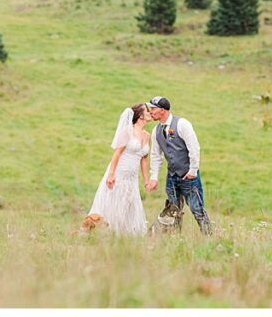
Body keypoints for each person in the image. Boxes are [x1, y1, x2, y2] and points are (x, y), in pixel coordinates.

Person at [145, 96, 213, 235]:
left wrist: (193, 170)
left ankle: (210, 238)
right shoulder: (156, 131)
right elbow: (155, 155)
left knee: (197, 209)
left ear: (162, 110)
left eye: (153, 108)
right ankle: (176, 239)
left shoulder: (182, 124)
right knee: (173, 211)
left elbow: (194, 148)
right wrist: (154, 177)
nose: (150, 111)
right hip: (172, 177)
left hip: (188, 176)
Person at [87, 103, 153, 235]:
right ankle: (107, 231)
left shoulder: (147, 135)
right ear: (140, 115)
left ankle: (127, 234)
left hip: (132, 177)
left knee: (129, 203)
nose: (150, 113)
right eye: (147, 111)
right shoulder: (128, 131)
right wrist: (111, 175)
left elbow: (144, 159)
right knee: (114, 202)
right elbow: (117, 153)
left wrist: (146, 180)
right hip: (119, 173)